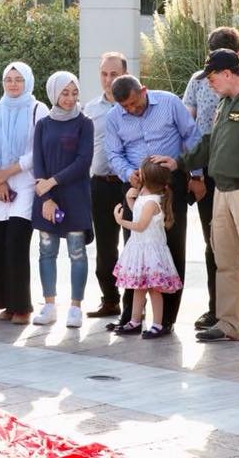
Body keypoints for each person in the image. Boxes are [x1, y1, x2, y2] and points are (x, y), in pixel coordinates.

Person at [157, 49, 239, 354]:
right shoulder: (225, 102)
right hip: (222, 190)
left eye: (211, 77)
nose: (209, 84)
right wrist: (179, 162)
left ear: (227, 73)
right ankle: (229, 322)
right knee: (225, 260)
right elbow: (211, 143)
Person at [104, 74, 200, 335]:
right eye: (126, 107)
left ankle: (165, 319)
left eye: (135, 103)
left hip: (171, 183)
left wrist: (195, 173)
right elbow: (113, 153)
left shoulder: (169, 103)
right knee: (134, 249)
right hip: (136, 186)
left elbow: (192, 135)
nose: (132, 110)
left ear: (143, 90)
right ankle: (131, 317)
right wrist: (127, 173)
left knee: (171, 246)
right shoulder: (113, 117)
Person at [182, 28, 239, 332]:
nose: (210, 81)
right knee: (216, 246)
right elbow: (192, 132)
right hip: (211, 179)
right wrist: (193, 173)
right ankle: (221, 312)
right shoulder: (204, 84)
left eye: (214, 73)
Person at [0, 62, 47, 324]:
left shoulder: (37, 109)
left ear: (28, 81)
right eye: (8, 79)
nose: (12, 84)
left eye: (18, 79)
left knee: (17, 242)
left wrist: (9, 172)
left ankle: (22, 306)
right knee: (0, 242)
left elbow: (38, 151)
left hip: (25, 183)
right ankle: (7, 303)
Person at [32, 71, 94, 328]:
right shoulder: (43, 124)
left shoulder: (84, 123)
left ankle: (76, 308)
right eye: (64, 93)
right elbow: (38, 163)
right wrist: (46, 197)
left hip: (75, 195)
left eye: (74, 93)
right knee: (46, 251)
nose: (70, 98)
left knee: (77, 252)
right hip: (47, 197)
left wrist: (53, 182)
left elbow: (83, 161)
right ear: (54, 93)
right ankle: (49, 305)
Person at [112, 158, 183, 339]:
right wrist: (130, 199)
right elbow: (138, 212)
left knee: (154, 289)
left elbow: (141, 224)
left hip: (151, 252)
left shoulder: (152, 201)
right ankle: (135, 320)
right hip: (140, 249)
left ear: (147, 177)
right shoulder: (144, 194)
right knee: (138, 288)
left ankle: (157, 324)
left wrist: (121, 221)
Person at [84, 52, 128, 319]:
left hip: (129, 187)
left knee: (134, 244)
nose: (109, 79)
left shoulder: (134, 105)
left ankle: (136, 304)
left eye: (114, 74)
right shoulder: (90, 109)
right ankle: (110, 300)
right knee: (105, 248)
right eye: (104, 73)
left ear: (125, 74)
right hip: (100, 185)